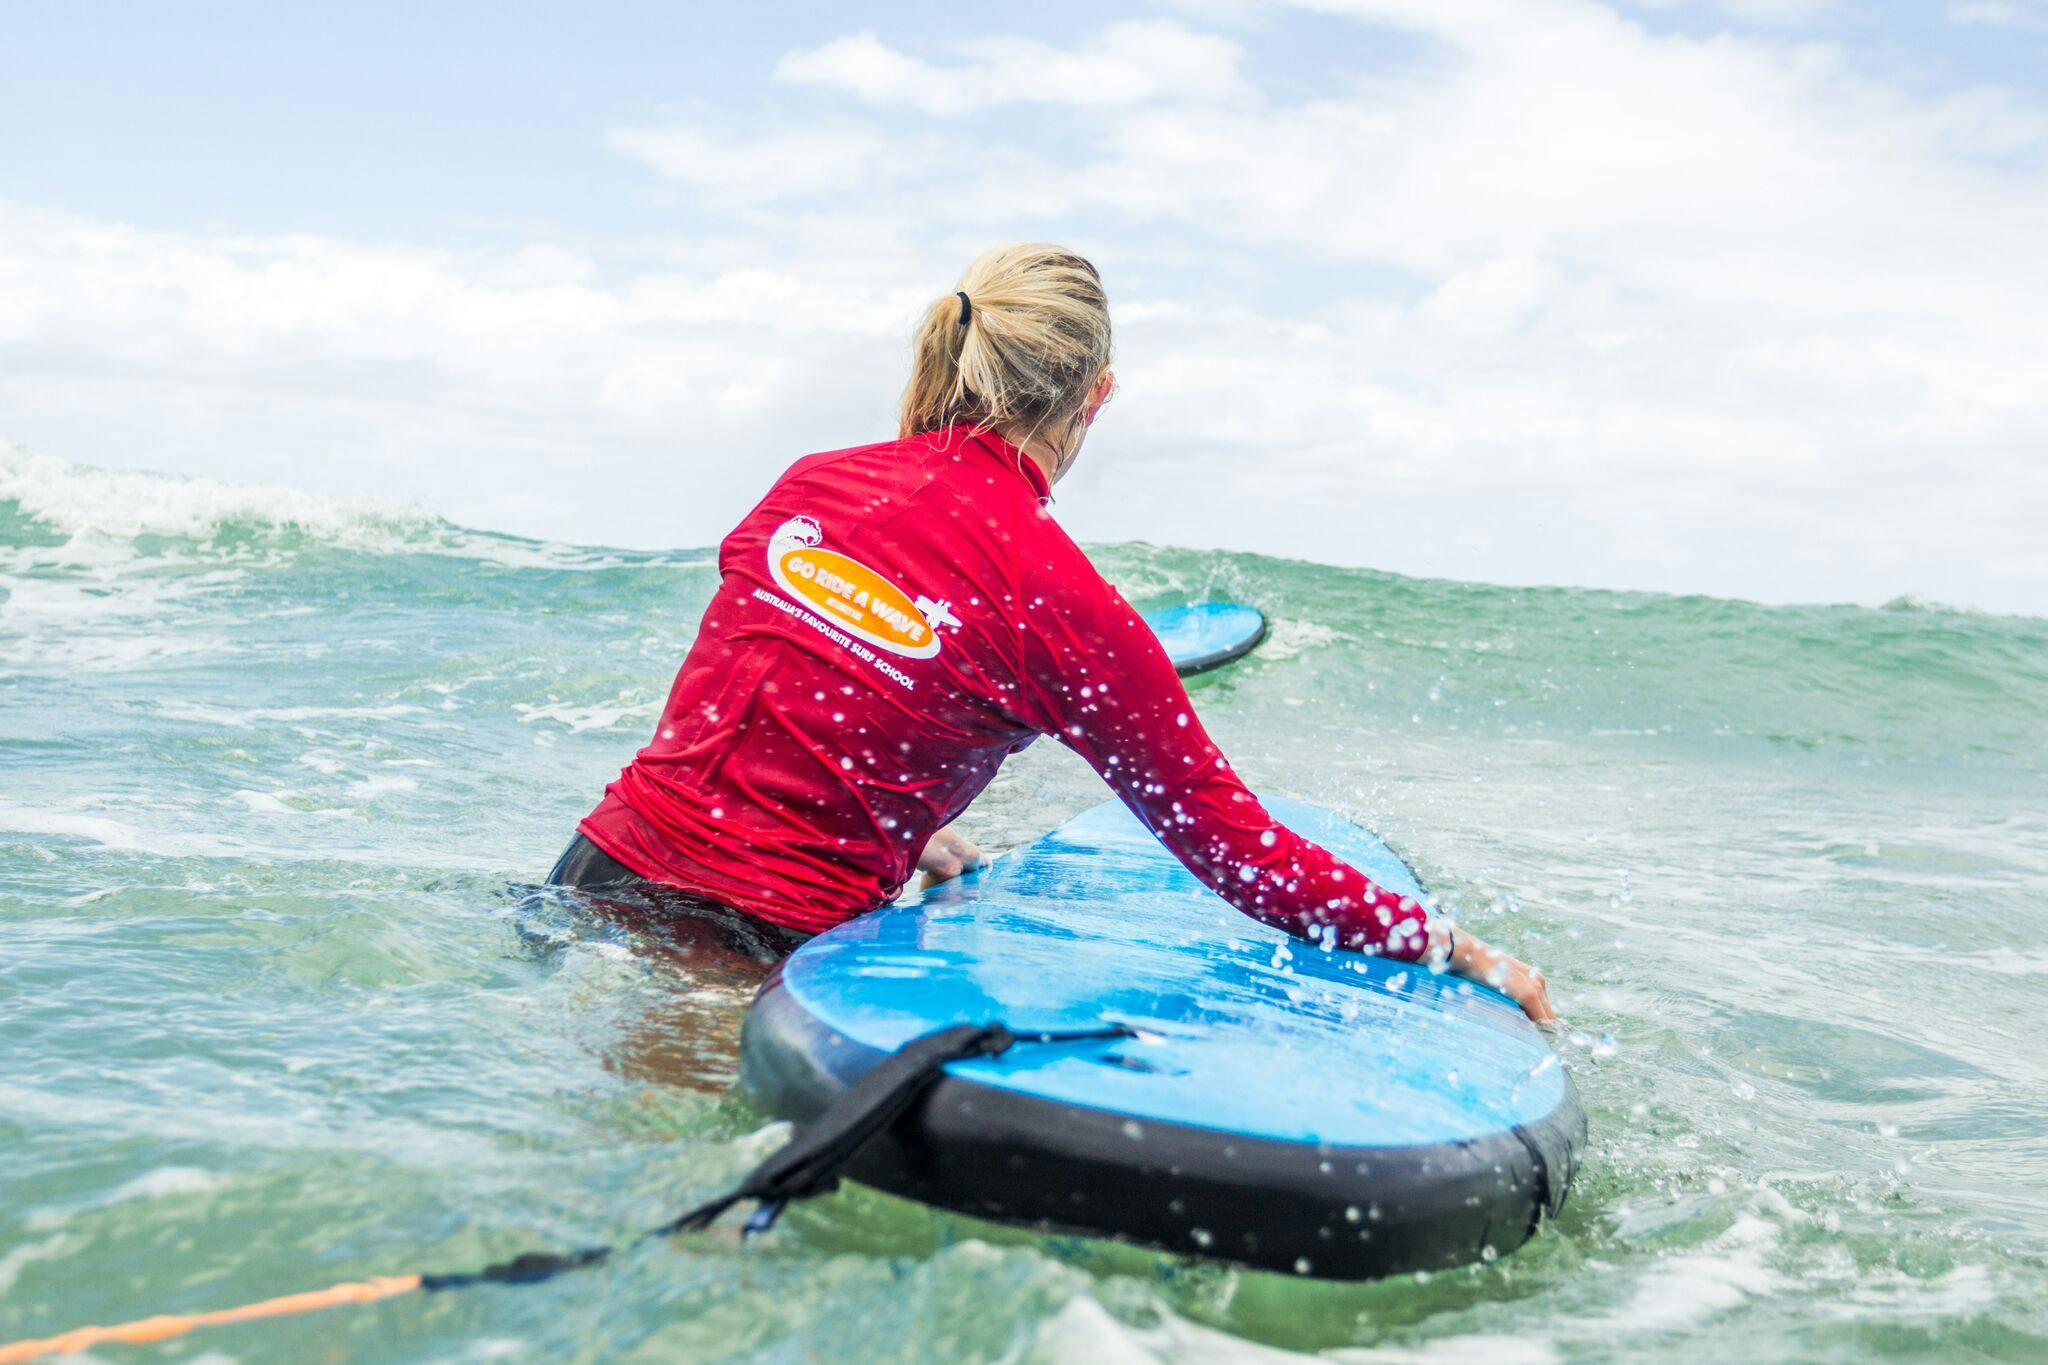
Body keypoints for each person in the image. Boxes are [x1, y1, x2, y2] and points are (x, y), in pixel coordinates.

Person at [551, 243, 1558, 1026]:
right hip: (738, 949)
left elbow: (762, 696)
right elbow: (1239, 852)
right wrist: (1450, 947)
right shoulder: (1062, 602)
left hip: (583, 883)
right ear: (1097, 394)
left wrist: (901, 822)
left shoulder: (812, 483)